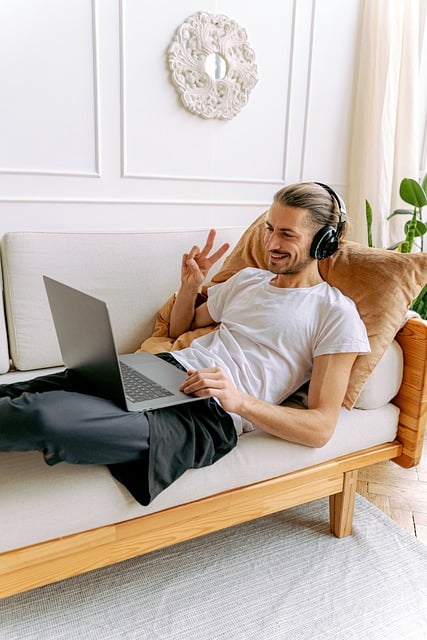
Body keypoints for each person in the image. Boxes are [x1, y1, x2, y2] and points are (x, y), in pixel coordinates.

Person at [0, 182, 370, 505]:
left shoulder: (335, 314)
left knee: (41, 416)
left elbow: (321, 427)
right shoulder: (249, 281)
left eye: (287, 235)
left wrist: (239, 400)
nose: (271, 243)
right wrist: (191, 286)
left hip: (207, 416)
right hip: (164, 371)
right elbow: (185, 325)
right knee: (25, 391)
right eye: (270, 229)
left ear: (323, 242)